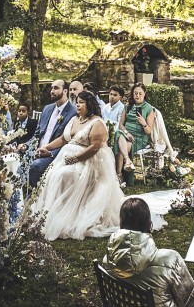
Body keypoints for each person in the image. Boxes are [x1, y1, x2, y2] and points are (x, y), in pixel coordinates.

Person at [27, 91, 123, 241]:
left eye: (82, 102)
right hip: (65, 159)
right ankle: (53, 214)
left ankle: (69, 216)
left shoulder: (97, 123)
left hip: (88, 162)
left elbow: (95, 147)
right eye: (77, 102)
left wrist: (76, 158)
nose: (77, 104)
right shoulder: (74, 119)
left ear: (89, 104)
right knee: (51, 175)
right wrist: (47, 147)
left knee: (63, 175)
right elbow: (63, 139)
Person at [104, 197, 194, 307]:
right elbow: (190, 303)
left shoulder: (109, 259)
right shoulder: (170, 259)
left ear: (122, 223)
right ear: (149, 224)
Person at [21, 79, 76, 188]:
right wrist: (26, 145)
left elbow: (68, 141)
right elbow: (37, 134)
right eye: (51, 88)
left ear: (65, 91)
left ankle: (35, 198)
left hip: (53, 154)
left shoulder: (73, 112)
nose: (52, 91)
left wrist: (50, 152)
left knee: (35, 167)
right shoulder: (47, 108)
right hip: (36, 150)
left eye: (56, 88)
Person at [115, 83, 155, 177]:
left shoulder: (149, 108)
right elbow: (121, 124)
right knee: (119, 134)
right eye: (135, 93)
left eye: (140, 93)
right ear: (132, 94)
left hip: (139, 138)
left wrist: (143, 122)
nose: (137, 95)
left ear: (144, 93)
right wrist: (127, 133)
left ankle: (119, 175)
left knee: (122, 146)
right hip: (126, 135)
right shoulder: (128, 106)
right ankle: (127, 161)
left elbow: (148, 131)